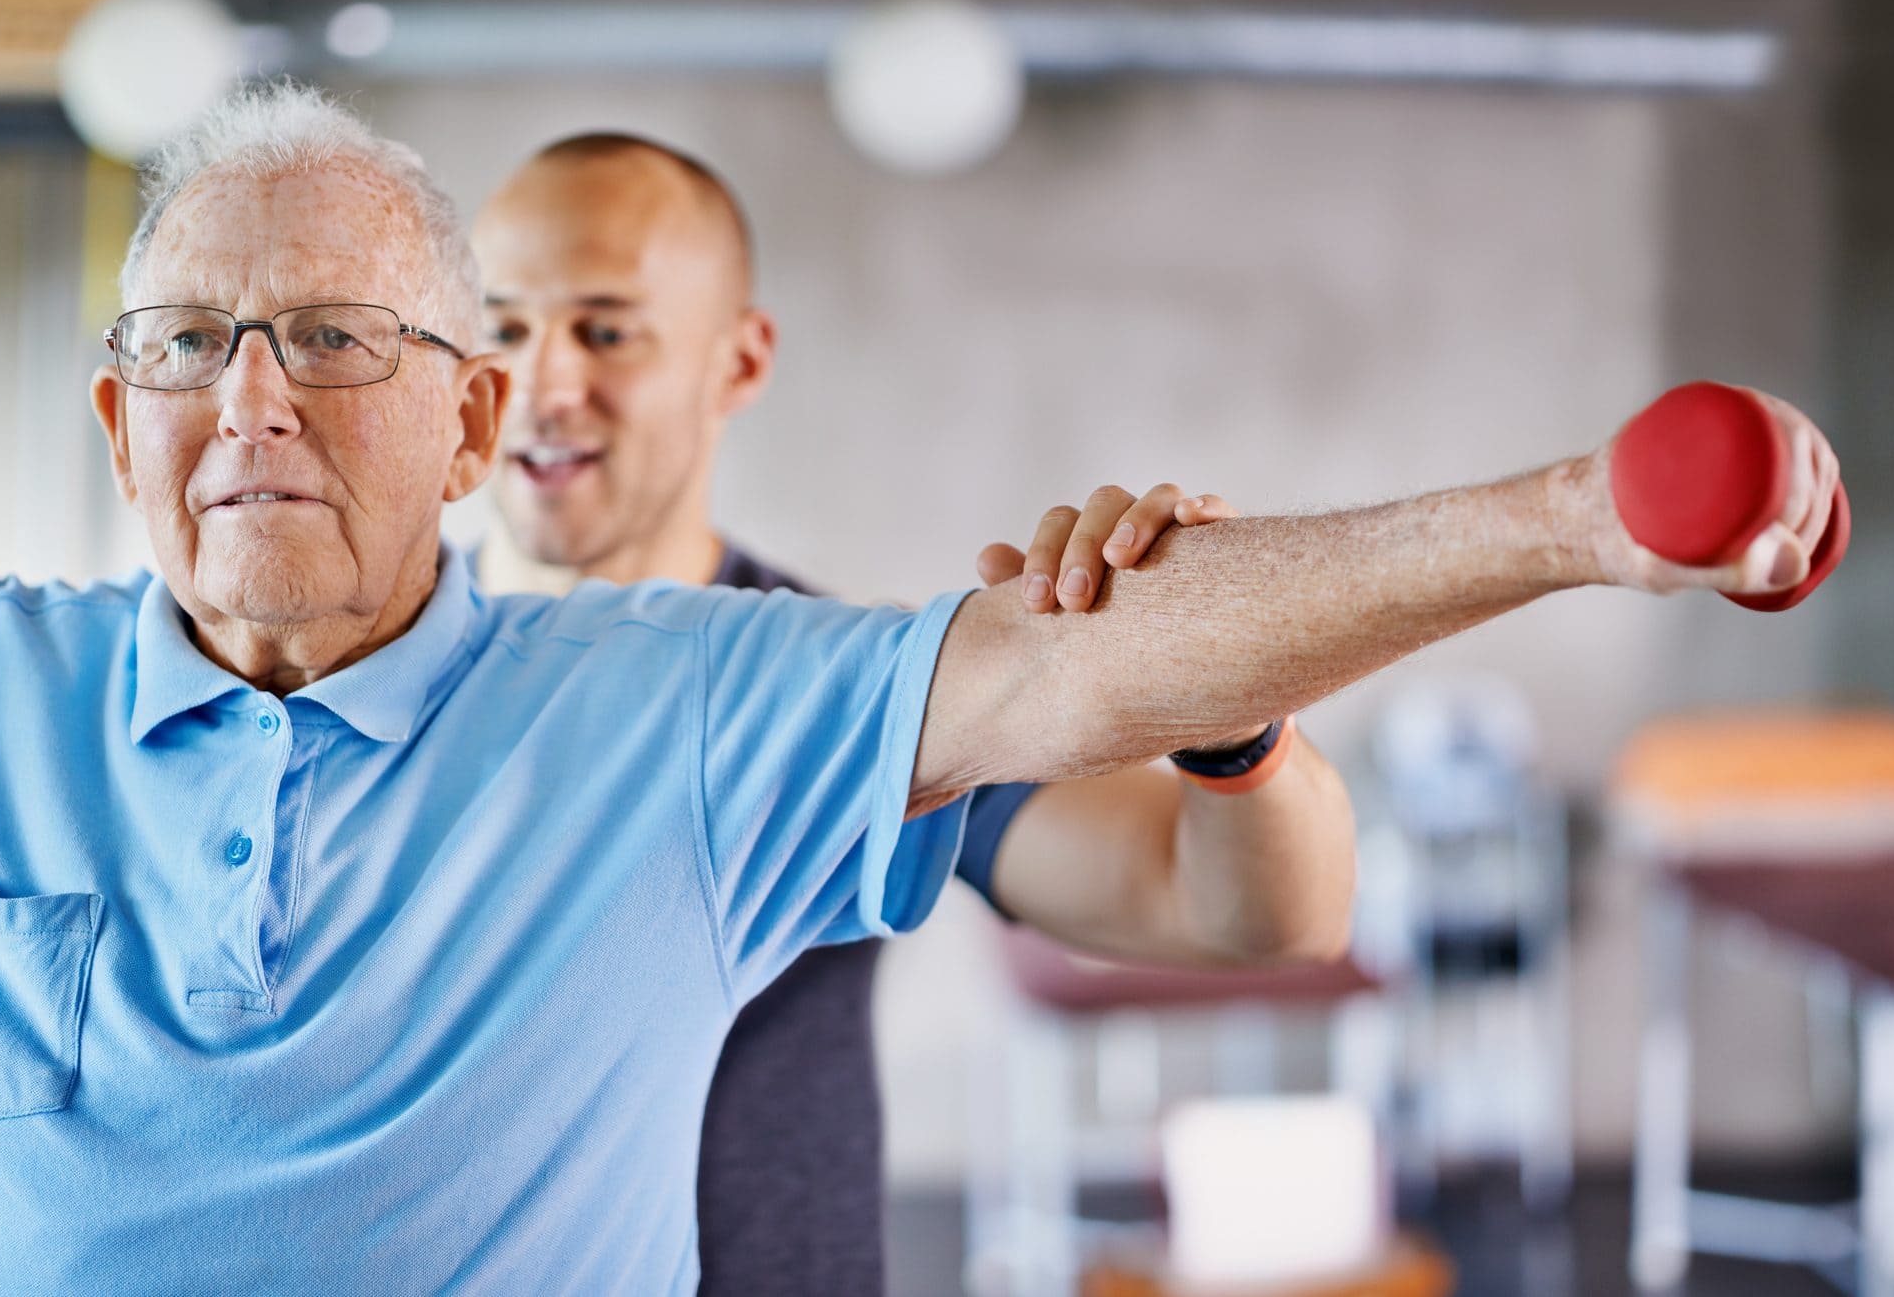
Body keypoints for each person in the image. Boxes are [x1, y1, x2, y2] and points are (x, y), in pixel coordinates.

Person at [0, 81, 1841, 1293]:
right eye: (190, 344)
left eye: (343, 339)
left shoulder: (715, 697)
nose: (251, 401)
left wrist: (1572, 521)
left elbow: (1219, 858)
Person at [469, 131, 1356, 1295]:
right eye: (503, 326)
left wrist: (1228, 716)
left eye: (605, 330)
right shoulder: (374, 673)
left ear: (737, 364)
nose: (542, 383)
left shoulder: (847, 687)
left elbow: (1247, 912)